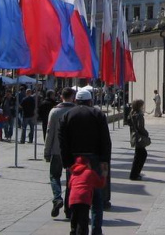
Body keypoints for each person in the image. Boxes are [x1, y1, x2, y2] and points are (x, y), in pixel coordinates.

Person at [59, 88, 112, 235]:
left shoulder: (67, 115)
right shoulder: (98, 114)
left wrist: (67, 162)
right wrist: (104, 160)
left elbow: (62, 141)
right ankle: (96, 230)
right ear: (90, 101)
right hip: (94, 159)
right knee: (96, 198)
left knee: (75, 193)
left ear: (76, 101)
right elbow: (105, 139)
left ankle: (75, 228)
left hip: (75, 161)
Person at [44, 87, 76, 218]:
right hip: (72, 152)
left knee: (54, 176)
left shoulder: (54, 111)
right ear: (72, 97)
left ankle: (57, 198)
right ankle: (69, 208)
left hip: (56, 150)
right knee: (71, 180)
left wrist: (47, 151)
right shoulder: (75, 110)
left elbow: (49, 132)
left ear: (61, 96)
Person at [68, 156, 107, 235]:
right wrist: (104, 175)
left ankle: (73, 232)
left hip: (72, 200)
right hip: (84, 199)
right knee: (83, 222)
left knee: (74, 221)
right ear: (87, 164)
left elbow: (69, 185)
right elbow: (100, 184)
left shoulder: (73, 174)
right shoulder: (90, 172)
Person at [128, 99, 150, 180]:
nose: (143, 107)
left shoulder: (132, 114)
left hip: (135, 136)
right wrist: (146, 133)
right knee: (141, 155)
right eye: (142, 105)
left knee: (139, 155)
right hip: (139, 137)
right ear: (139, 106)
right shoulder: (139, 115)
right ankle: (134, 174)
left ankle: (135, 174)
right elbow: (140, 127)